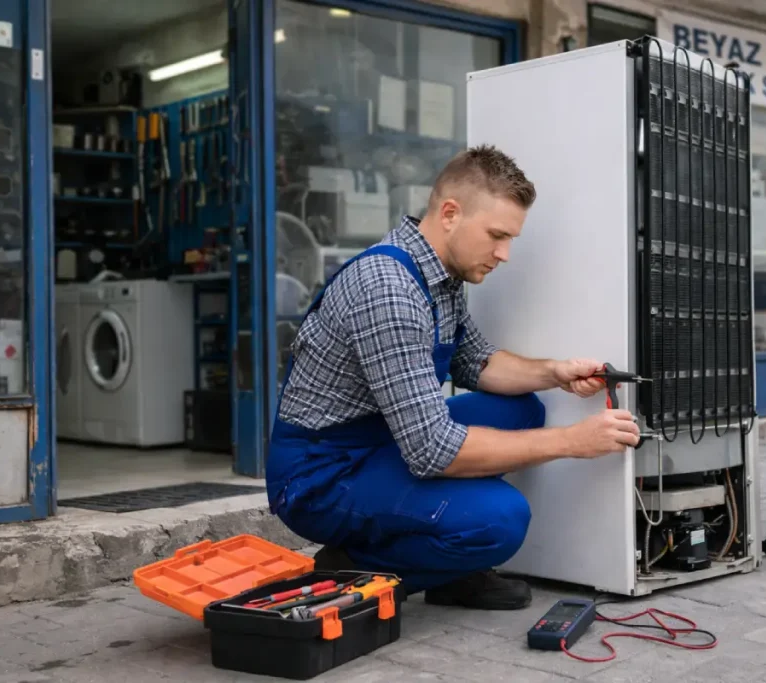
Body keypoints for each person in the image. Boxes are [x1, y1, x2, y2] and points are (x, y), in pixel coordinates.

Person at [266, 144, 641, 611]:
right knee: (500, 519)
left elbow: (477, 362)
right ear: (449, 214)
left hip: (381, 442)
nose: (504, 254)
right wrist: (573, 441)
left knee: (521, 408)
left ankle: (447, 568)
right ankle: (352, 565)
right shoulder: (389, 289)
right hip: (320, 477)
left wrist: (555, 372)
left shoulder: (443, 277)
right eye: (496, 235)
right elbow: (432, 450)